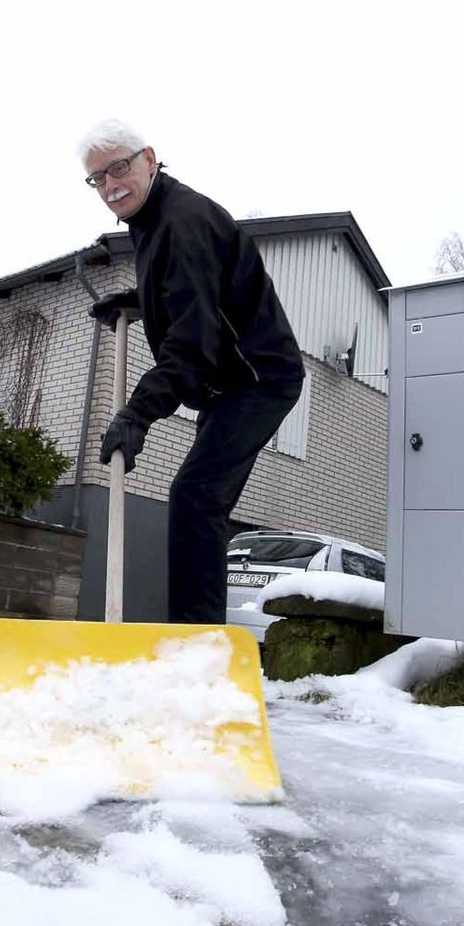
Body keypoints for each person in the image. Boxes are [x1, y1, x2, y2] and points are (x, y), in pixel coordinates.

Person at [78, 119, 305, 625]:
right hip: (228, 382)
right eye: (98, 178)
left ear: (149, 159)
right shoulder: (154, 222)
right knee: (200, 500)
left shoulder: (181, 222)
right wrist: (137, 301)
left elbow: (192, 344)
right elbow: (191, 292)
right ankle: (195, 638)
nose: (111, 184)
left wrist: (137, 415)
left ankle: (197, 644)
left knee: (196, 497)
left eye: (119, 168)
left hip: (258, 379)